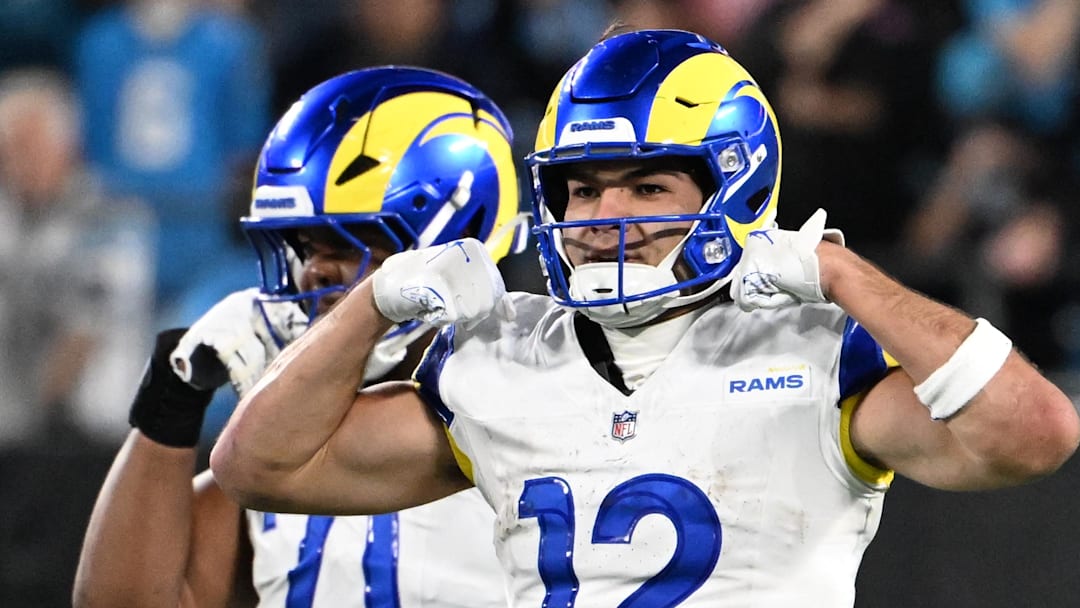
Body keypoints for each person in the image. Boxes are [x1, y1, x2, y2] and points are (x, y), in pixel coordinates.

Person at [209, 29, 1080, 607]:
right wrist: (370, 304)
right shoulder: (499, 361)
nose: (601, 218)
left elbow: (1034, 435)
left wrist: (844, 275)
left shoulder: (815, 356)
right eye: (583, 189)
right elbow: (260, 469)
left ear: (734, 188)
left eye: (647, 186)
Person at [73, 67, 526, 607]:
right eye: (305, 248)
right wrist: (173, 400)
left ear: (456, 234)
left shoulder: (533, 405)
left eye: (348, 243)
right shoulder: (277, 446)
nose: (314, 273)